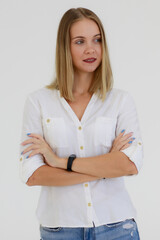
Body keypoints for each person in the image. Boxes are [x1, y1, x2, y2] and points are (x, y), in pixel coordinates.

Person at [19, 7, 143, 240]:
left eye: (97, 40)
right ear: (64, 47)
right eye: (79, 41)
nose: (91, 49)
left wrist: (60, 162)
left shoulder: (120, 101)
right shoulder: (38, 102)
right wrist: (105, 167)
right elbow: (32, 174)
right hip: (60, 230)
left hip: (117, 228)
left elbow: (129, 165)